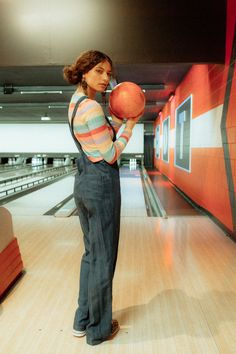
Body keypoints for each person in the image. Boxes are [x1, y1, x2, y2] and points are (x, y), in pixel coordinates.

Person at [63, 50, 139, 346]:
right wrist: (129, 128)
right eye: (99, 71)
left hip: (83, 182)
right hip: (101, 185)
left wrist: (116, 126)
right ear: (84, 73)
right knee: (104, 259)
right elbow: (109, 154)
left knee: (91, 255)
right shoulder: (92, 108)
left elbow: (96, 143)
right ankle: (98, 330)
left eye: (108, 72)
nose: (106, 78)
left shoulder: (76, 103)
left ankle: (82, 320)